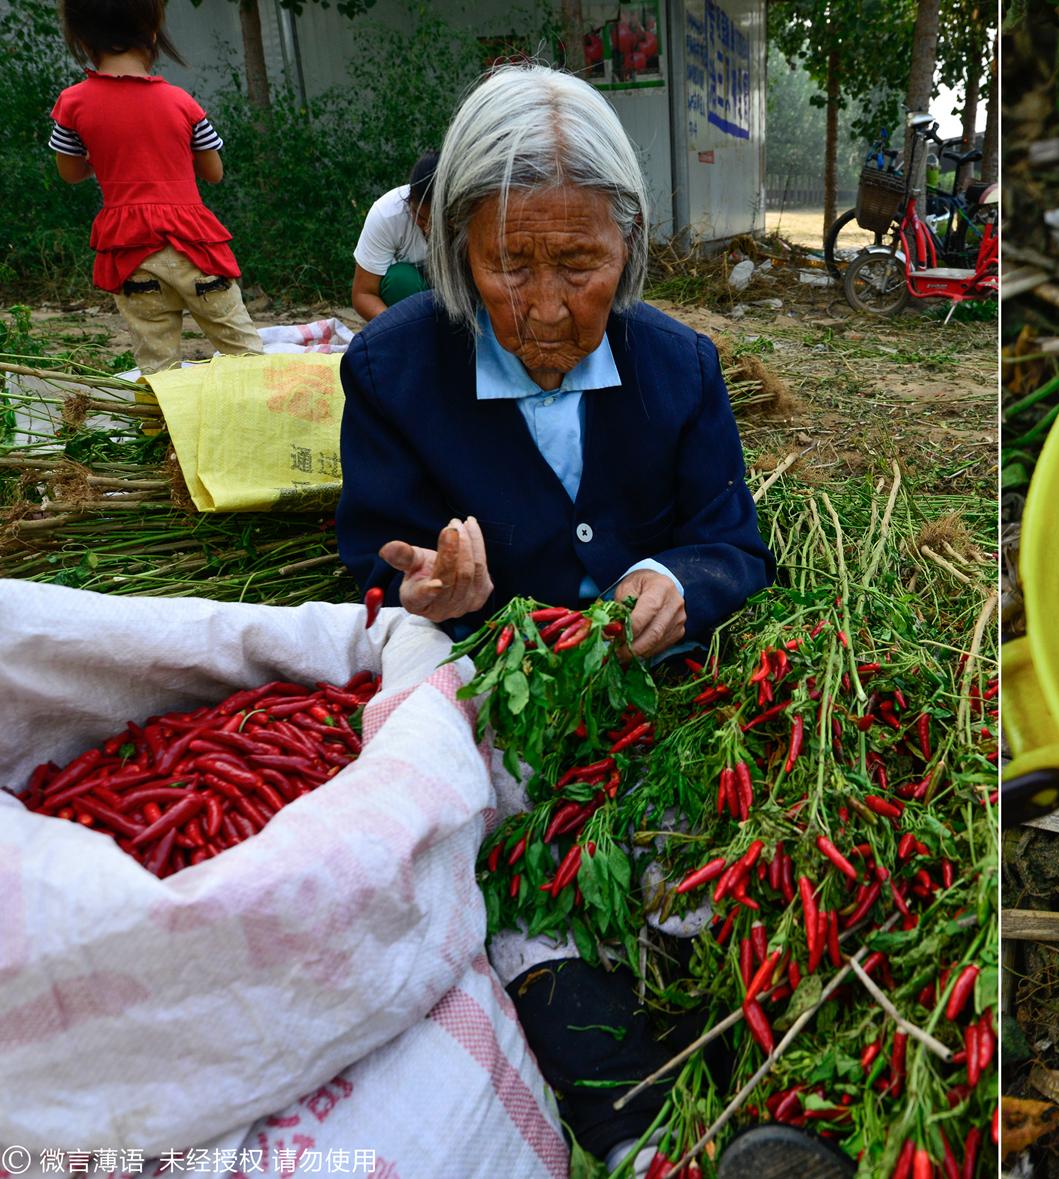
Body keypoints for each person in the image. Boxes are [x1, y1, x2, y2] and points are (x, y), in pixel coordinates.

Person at [334, 66, 845, 1179]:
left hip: (665, 702)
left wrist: (675, 577)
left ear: (633, 251)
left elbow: (732, 541)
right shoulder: (391, 368)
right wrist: (432, 595)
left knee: (735, 866)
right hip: (498, 713)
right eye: (509, 265)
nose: (550, 306)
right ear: (455, 251)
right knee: (529, 891)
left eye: (582, 265)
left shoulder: (676, 368)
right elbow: (362, 571)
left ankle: (792, 1093)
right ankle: (644, 1138)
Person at [48, 0, 262, 375]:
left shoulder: (73, 104)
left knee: (157, 362)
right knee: (243, 350)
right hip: (195, 247)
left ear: (81, 39)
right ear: (151, 34)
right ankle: (267, 415)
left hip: (131, 252)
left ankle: (161, 430)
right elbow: (213, 172)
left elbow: (70, 172)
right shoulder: (182, 102)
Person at [350, 151, 438, 321]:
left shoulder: (468, 215)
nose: (428, 229)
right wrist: (395, 328)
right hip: (413, 305)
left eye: (436, 221)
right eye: (420, 217)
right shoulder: (386, 214)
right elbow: (363, 294)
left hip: (454, 301)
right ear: (409, 201)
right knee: (399, 279)